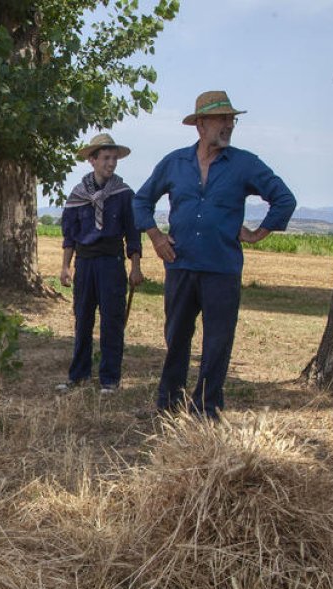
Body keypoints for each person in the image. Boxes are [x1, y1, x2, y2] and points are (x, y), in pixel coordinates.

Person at [134, 91, 296, 419]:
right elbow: (141, 200)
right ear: (200, 124)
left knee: (217, 342)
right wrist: (156, 237)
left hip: (222, 269)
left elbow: (284, 198)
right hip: (180, 264)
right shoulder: (175, 163)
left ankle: (206, 409)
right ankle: (169, 404)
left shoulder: (244, 163)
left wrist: (258, 233)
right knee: (176, 337)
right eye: (222, 119)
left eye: (231, 119)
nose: (228, 125)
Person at [57, 133, 143, 394]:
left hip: (111, 262)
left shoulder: (124, 194)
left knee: (112, 321)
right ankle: (78, 375)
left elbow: (133, 234)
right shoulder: (78, 195)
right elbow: (70, 235)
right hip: (85, 263)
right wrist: (65, 266)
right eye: (106, 158)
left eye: (114, 158)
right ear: (92, 160)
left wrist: (135, 267)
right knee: (82, 319)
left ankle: (109, 379)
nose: (111, 163)